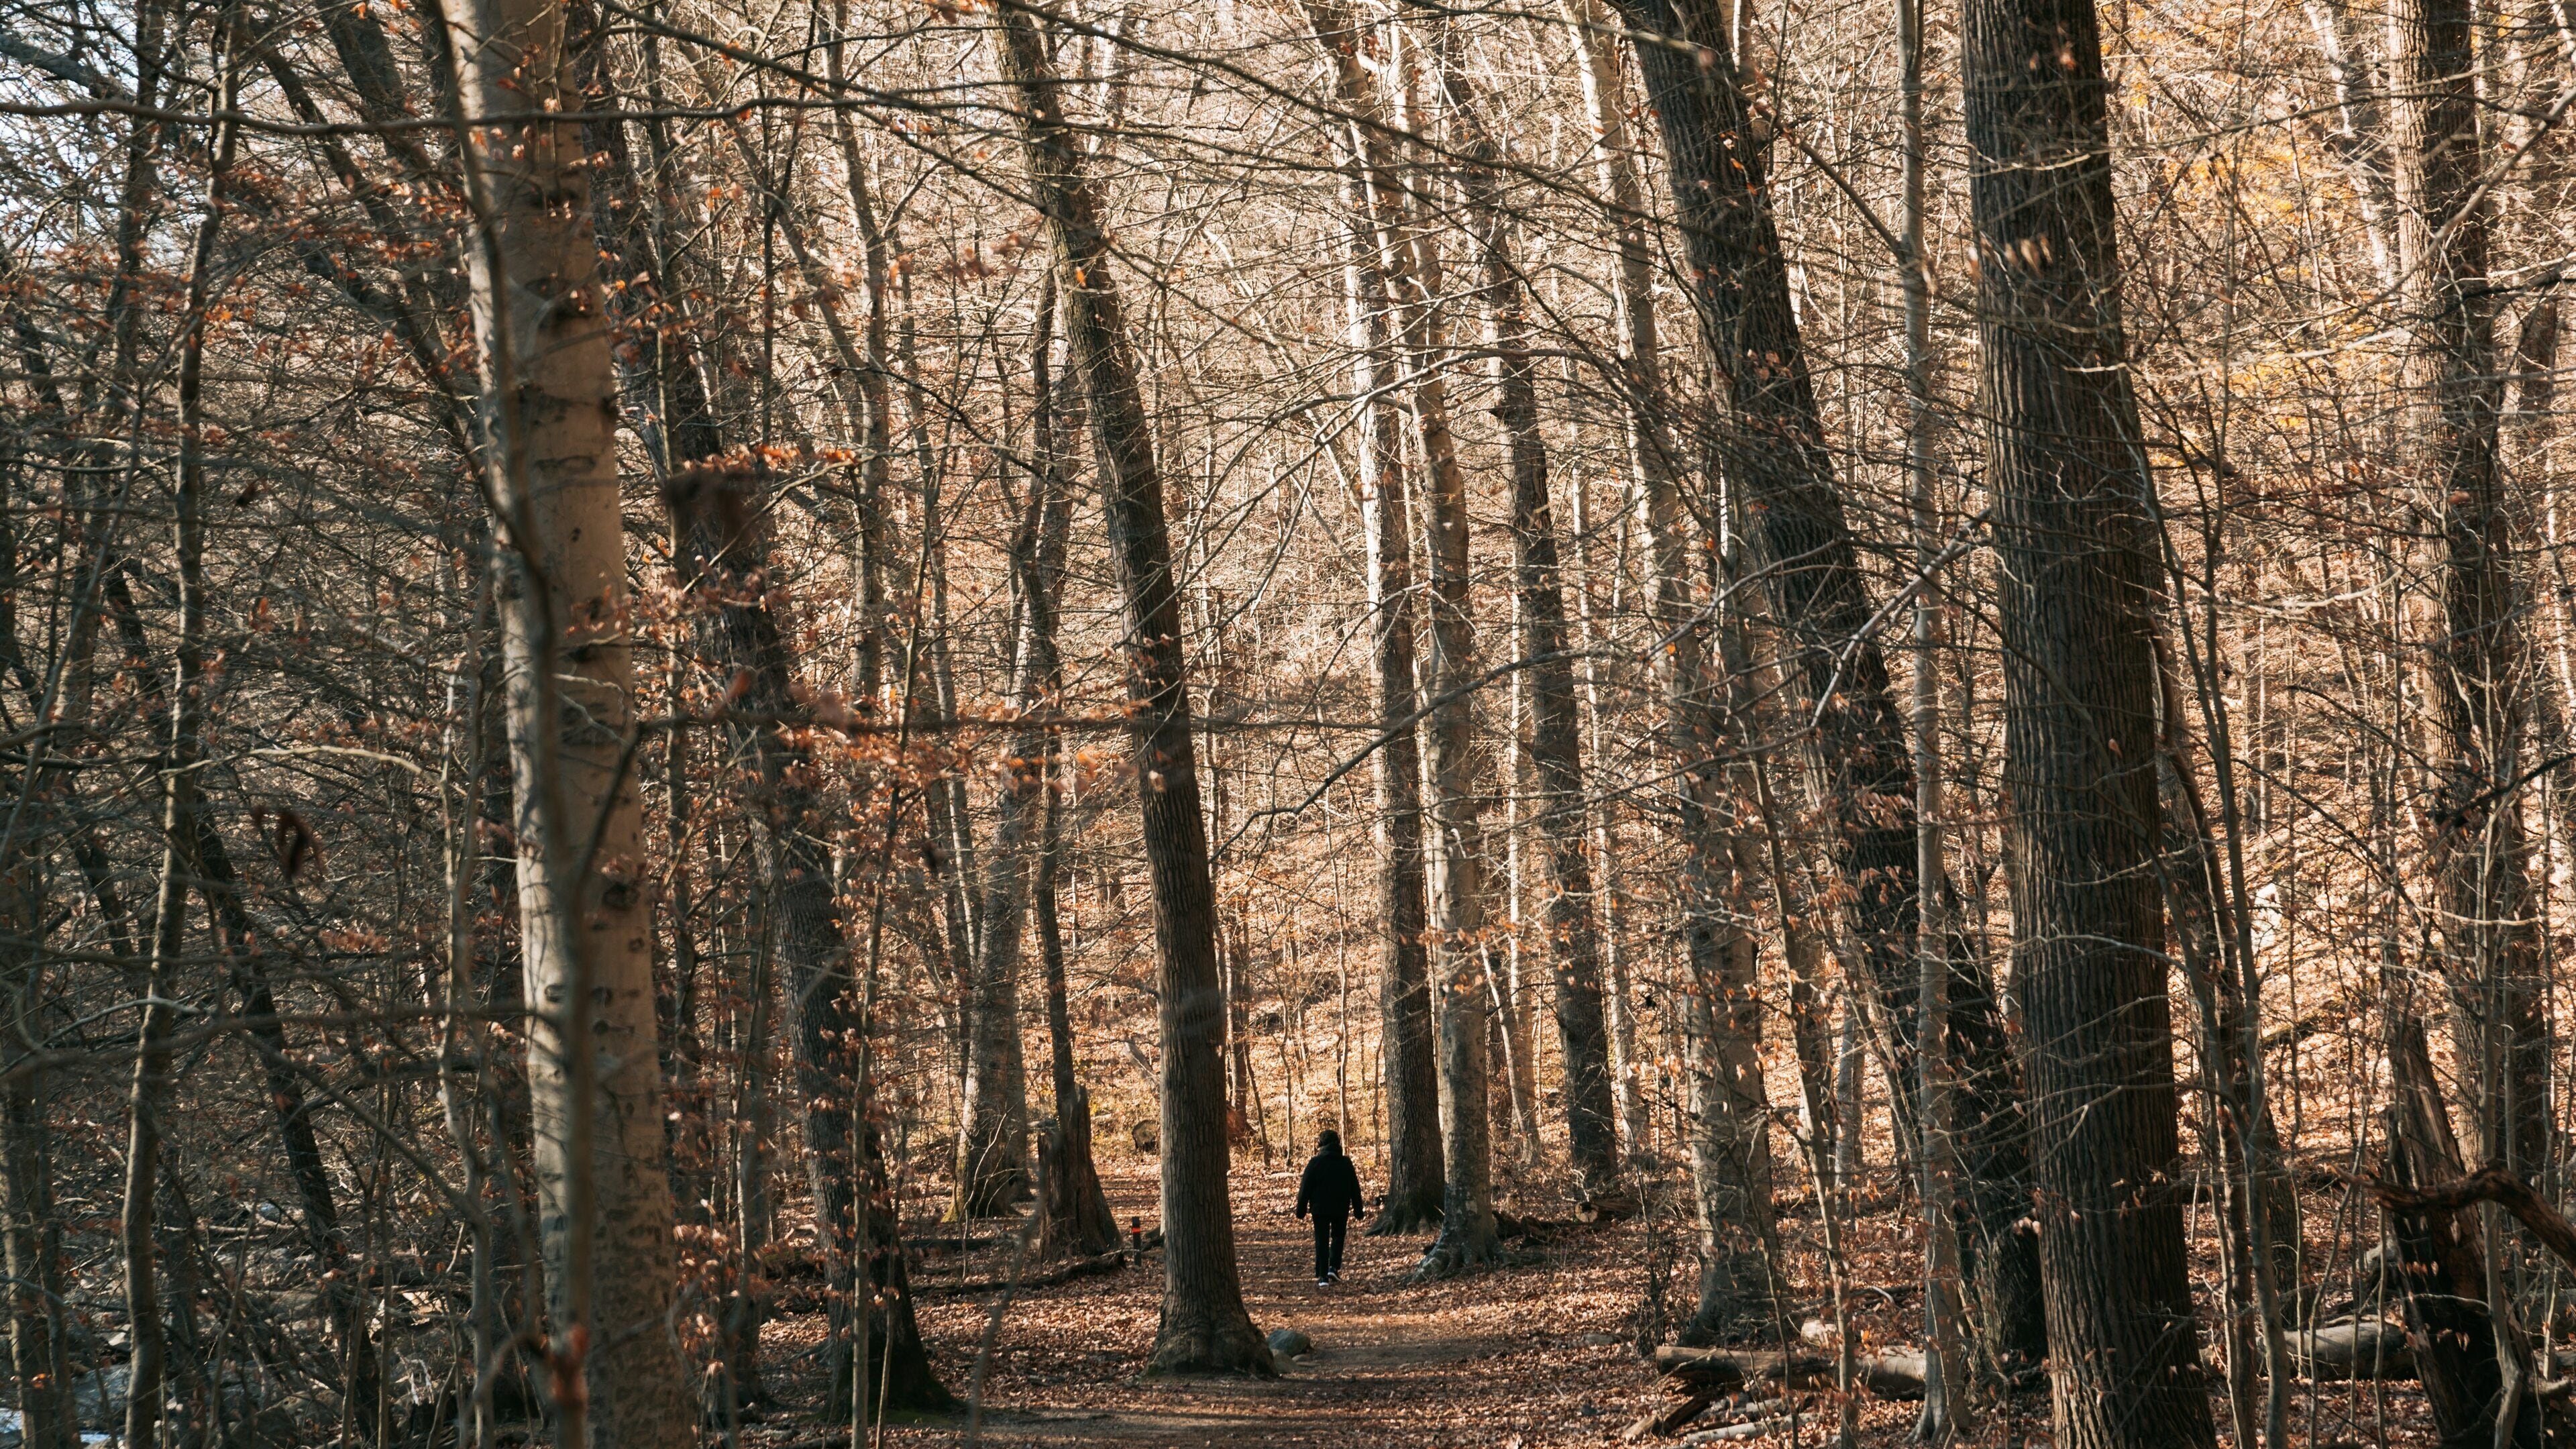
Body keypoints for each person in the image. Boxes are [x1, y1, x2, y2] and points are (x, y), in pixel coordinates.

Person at [1293, 1128, 1365, 1286]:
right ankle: (1333, 1267)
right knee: (1338, 1236)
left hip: (1320, 1209)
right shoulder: (1346, 1163)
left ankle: (1323, 1276)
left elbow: (1305, 1188)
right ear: (1337, 1143)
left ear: (1321, 1144)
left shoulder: (1315, 1163)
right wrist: (1358, 1211)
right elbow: (1355, 1188)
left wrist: (1301, 1210)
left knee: (1322, 1239)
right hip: (1340, 1207)